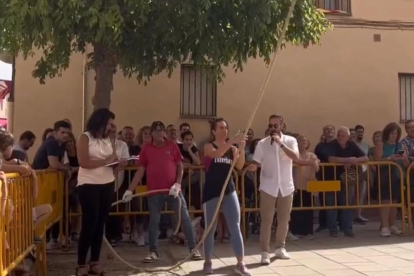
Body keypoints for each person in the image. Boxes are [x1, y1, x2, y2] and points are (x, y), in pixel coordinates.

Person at [122, 121, 202, 263]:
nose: (160, 133)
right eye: (157, 130)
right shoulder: (146, 147)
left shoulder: (172, 145)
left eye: (162, 130)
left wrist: (177, 184)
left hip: (173, 190)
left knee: (184, 218)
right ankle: (153, 252)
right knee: (154, 221)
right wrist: (130, 189)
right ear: (151, 133)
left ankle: (193, 249)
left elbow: (180, 166)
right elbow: (140, 170)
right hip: (154, 191)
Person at [201, 118, 250, 275]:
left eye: (226, 127)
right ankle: (208, 261)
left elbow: (240, 165)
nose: (224, 130)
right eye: (220, 127)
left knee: (235, 226)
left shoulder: (232, 149)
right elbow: (216, 154)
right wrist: (231, 143)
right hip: (212, 191)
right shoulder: (208, 146)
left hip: (229, 190)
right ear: (214, 131)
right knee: (210, 228)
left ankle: (240, 263)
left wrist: (240, 149)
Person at [75, 108, 120, 276]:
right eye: (108, 122)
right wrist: (106, 161)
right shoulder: (85, 137)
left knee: (101, 223)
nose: (110, 126)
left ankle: (95, 261)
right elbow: (84, 162)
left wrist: (117, 163)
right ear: (100, 121)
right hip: (88, 183)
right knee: (89, 223)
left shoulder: (109, 138)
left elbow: (112, 158)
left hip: (107, 182)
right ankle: (81, 264)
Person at [253, 114, 299, 264]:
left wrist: (280, 144)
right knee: (266, 220)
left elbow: (295, 157)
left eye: (276, 126)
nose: (273, 128)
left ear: (282, 126)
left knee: (284, 219)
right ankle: (264, 251)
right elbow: (256, 162)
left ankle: (280, 247)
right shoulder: (262, 144)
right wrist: (251, 166)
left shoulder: (291, 141)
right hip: (268, 186)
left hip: (286, 186)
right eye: (270, 126)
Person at [324, 127, 368, 238]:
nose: (340, 137)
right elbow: (331, 159)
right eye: (339, 135)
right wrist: (349, 159)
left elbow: (365, 157)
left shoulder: (352, 145)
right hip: (330, 178)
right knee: (331, 206)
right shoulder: (332, 144)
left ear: (348, 137)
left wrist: (356, 160)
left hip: (346, 180)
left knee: (346, 205)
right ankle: (333, 230)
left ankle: (347, 229)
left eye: (343, 136)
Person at [373, 123, 409, 237]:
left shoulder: (401, 146)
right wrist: (390, 158)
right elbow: (376, 160)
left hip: (397, 176)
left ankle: (393, 224)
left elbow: (407, 164)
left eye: (396, 133)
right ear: (387, 133)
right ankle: (384, 226)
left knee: (394, 201)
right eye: (392, 133)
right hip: (384, 176)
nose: (394, 135)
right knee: (385, 201)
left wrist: (403, 159)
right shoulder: (381, 145)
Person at [289, 135, 319, 240]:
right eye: (301, 141)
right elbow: (296, 161)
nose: (304, 142)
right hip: (297, 185)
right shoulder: (295, 154)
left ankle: (307, 231)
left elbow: (317, 166)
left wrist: (314, 162)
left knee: (308, 209)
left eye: (306, 140)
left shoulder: (311, 155)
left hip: (308, 185)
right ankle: (296, 231)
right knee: (297, 209)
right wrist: (310, 162)